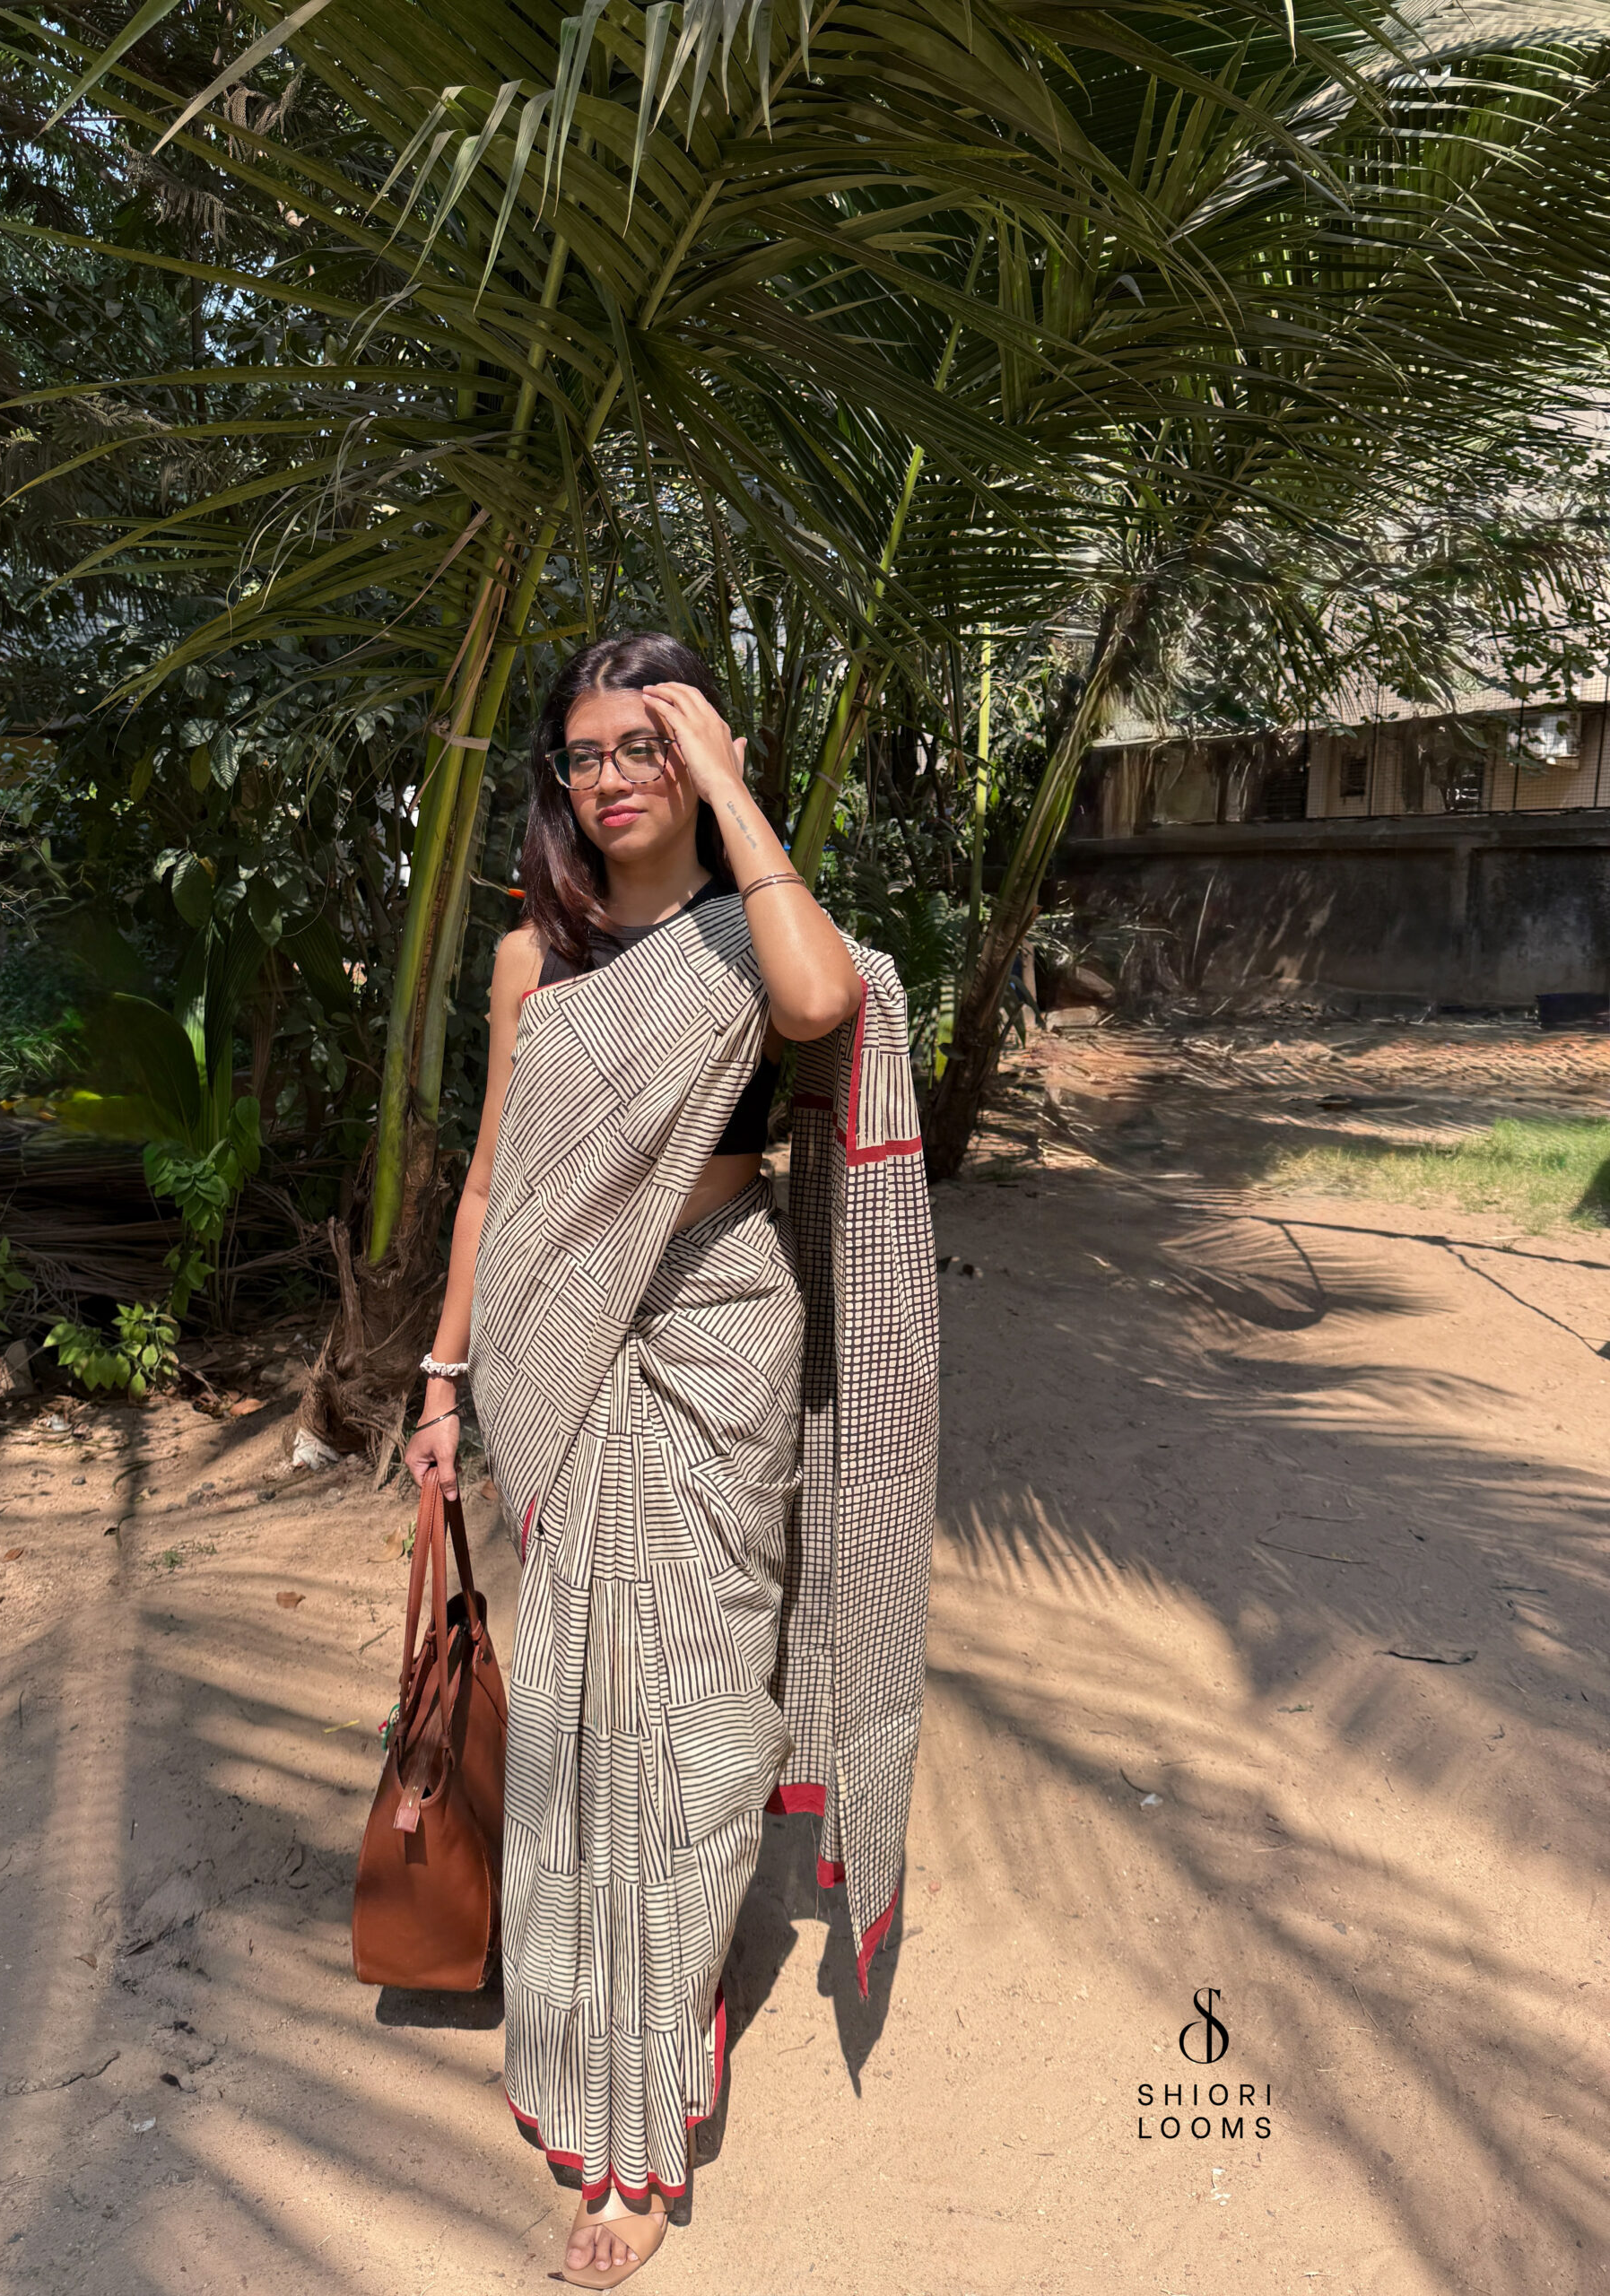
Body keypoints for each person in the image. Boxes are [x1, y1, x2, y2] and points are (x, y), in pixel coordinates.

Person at [405, 632, 938, 2287]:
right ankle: (604, 2116)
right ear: (559, 784)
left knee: (698, 1727)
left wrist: (730, 785)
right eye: (586, 754)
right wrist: (441, 1375)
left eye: (646, 745)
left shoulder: (741, 935)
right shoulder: (529, 963)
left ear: (695, 756)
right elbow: (493, 1185)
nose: (611, 776)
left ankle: (669, 2028)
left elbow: (823, 1001)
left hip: (717, 1332)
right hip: (560, 1357)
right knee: (570, 1726)